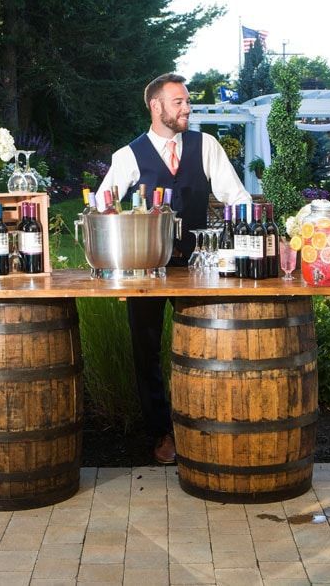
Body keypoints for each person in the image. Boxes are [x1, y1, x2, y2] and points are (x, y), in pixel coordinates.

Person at [96, 73, 250, 464]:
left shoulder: (205, 145)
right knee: (146, 351)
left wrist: (260, 229)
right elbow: (102, 204)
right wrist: (126, 225)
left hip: (198, 266)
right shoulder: (129, 155)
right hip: (144, 270)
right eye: (178, 102)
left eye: (186, 101)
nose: (187, 108)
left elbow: (237, 197)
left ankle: (203, 426)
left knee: (207, 347)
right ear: (156, 106)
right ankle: (161, 431)